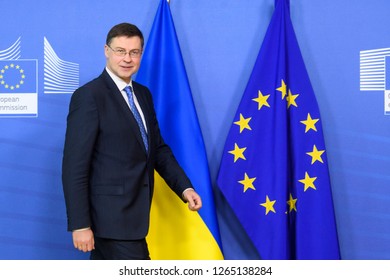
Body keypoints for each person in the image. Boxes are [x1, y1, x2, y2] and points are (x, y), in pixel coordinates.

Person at [61, 22, 202, 260]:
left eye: (134, 52)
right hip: (110, 221)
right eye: (120, 51)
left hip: (135, 218)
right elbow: (74, 166)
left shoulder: (143, 94)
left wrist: (185, 187)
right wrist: (80, 224)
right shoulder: (89, 96)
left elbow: (157, 149)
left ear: (140, 54)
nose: (127, 59)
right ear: (107, 51)